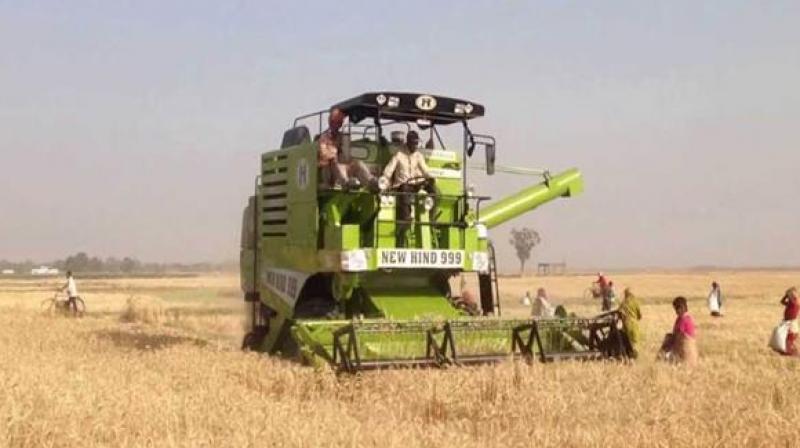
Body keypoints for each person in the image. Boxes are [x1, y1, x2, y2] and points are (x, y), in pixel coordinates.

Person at [380, 131, 436, 239]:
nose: (415, 146)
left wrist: (431, 178)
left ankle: (431, 218)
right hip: (402, 185)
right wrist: (384, 181)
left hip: (415, 184)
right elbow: (388, 171)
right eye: (413, 143)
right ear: (408, 142)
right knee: (405, 188)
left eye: (417, 143)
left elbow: (425, 170)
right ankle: (406, 218)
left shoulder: (418, 155)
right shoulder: (399, 154)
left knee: (432, 189)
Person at [318, 107, 375, 189]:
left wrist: (343, 152)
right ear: (331, 122)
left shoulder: (342, 137)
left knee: (357, 163)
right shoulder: (323, 137)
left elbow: (347, 154)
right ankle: (345, 182)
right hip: (329, 170)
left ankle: (371, 181)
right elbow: (324, 155)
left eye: (340, 122)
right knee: (336, 161)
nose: (338, 125)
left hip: (344, 166)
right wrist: (335, 153)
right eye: (336, 122)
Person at [658, 296, 698, 365]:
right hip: (689, 353)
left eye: (676, 309)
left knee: (663, 358)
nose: (676, 311)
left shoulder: (683, 320)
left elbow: (678, 336)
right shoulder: (687, 318)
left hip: (683, 351)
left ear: (682, 308)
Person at [617, 288, 642, 358]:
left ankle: (628, 355)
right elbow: (640, 316)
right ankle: (634, 355)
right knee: (634, 341)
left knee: (627, 341)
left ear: (625, 294)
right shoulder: (635, 302)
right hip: (634, 324)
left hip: (626, 324)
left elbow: (619, 313)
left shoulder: (623, 303)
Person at [779, 287, 799, 356]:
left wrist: (789, 295)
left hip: (792, 323)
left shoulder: (796, 302)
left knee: (790, 338)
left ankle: (793, 352)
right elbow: (782, 302)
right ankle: (788, 351)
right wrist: (786, 296)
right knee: (786, 338)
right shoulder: (790, 302)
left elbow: (794, 301)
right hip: (787, 322)